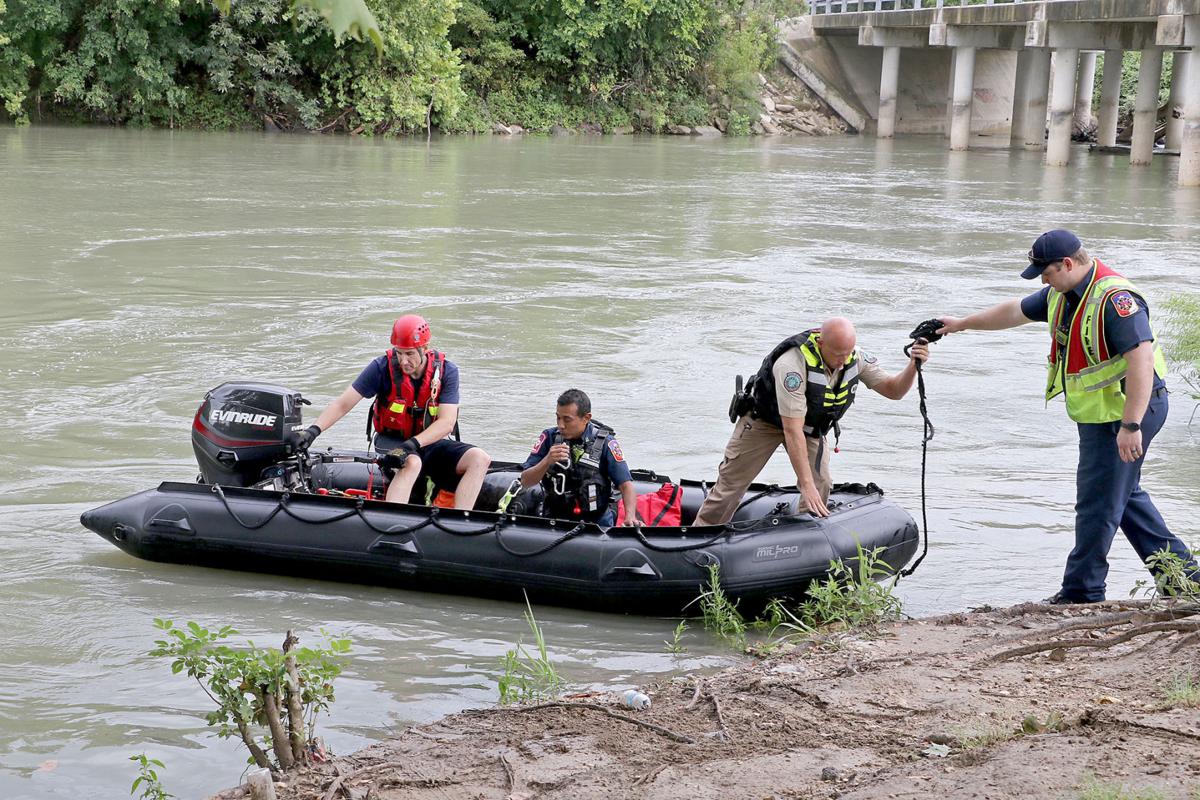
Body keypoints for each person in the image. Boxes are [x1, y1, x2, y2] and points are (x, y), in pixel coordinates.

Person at [935, 228, 1197, 604]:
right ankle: (1184, 581)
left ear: (1068, 264)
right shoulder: (1063, 293)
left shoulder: (1115, 301)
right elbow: (1014, 311)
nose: (1043, 281)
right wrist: (962, 323)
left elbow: (1140, 360)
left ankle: (1082, 592)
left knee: (1096, 503)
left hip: (1128, 411)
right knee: (1122, 498)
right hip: (1103, 413)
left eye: (1046, 273)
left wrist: (1130, 425)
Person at [692, 317, 930, 526]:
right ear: (821, 343)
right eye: (837, 355)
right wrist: (805, 485)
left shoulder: (854, 357)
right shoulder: (791, 365)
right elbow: (791, 429)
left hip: (809, 426)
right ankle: (700, 535)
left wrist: (913, 365)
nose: (843, 360)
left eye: (847, 353)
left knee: (821, 483)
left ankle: (804, 534)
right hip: (764, 422)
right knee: (730, 486)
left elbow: (894, 391)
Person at [295, 315, 491, 508]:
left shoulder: (447, 371)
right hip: (392, 441)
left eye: (410, 354)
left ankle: (461, 520)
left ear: (425, 349)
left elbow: (447, 422)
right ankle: (392, 518)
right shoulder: (380, 367)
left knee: (480, 458)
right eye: (399, 353)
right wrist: (314, 430)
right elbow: (342, 404)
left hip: (426, 442)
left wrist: (412, 444)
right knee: (412, 463)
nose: (403, 361)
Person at [519, 389, 641, 526]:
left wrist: (630, 517)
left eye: (567, 419)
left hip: (597, 521)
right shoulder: (549, 437)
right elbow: (525, 481)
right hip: (554, 519)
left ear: (586, 418)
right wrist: (547, 461)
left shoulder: (606, 443)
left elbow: (625, 485)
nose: (561, 425)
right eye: (558, 417)